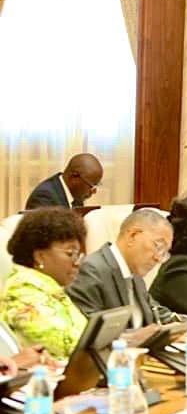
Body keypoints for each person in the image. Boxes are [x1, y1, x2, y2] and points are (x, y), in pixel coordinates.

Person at [67, 209, 176, 330]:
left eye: (164, 252)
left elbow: (157, 313)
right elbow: (88, 331)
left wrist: (184, 325)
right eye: (158, 246)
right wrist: (137, 337)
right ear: (132, 236)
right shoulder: (91, 270)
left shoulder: (136, 277)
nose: (158, 258)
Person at [1, 208, 88, 359]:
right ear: (40, 256)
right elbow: (66, 346)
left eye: (79, 255)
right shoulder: (22, 291)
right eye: (70, 254)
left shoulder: (52, 290)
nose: (77, 263)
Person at [23, 153, 104, 210]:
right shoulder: (44, 198)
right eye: (91, 185)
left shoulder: (76, 196)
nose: (94, 191)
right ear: (74, 177)